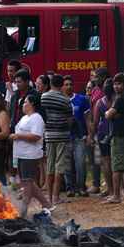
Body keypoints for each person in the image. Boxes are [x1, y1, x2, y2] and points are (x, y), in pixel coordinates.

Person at [10, 95, 52, 217]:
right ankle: (46, 204)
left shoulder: (37, 118)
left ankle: (23, 210)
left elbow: (36, 136)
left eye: (25, 102)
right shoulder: (24, 118)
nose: (23, 105)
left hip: (30, 154)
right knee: (27, 181)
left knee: (27, 182)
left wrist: (18, 136)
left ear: (32, 104)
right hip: (21, 153)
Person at [41, 74, 73, 206]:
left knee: (49, 166)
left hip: (48, 135)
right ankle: (56, 197)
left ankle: (48, 198)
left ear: (51, 83)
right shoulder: (66, 100)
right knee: (59, 167)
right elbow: (70, 120)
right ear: (61, 85)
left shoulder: (43, 97)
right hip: (62, 135)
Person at [62, 75, 91, 197]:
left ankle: (81, 187)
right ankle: (70, 188)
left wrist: (89, 134)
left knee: (80, 163)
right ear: (62, 86)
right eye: (66, 84)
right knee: (67, 164)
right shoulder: (60, 100)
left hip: (80, 136)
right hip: (65, 137)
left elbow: (88, 118)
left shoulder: (82, 99)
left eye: (70, 84)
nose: (69, 86)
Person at [105, 73, 124, 203]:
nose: (116, 86)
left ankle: (116, 195)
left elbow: (108, 115)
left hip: (118, 135)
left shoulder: (120, 99)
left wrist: (109, 113)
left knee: (117, 167)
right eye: (115, 84)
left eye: (119, 84)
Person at [91, 78, 115, 197]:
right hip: (116, 133)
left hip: (103, 133)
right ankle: (118, 190)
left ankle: (110, 190)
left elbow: (95, 122)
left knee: (106, 162)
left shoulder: (100, 102)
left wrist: (91, 135)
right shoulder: (119, 100)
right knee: (116, 162)